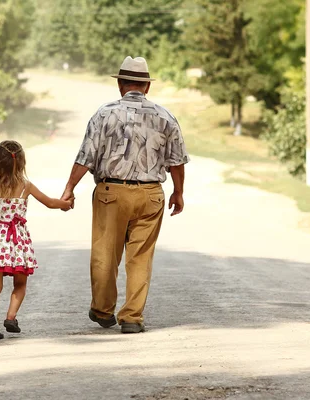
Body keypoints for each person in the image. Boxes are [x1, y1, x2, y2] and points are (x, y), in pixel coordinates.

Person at [61, 56, 189, 334]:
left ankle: (103, 310)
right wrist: (178, 192)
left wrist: (69, 188)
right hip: (151, 195)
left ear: (120, 84)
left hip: (111, 193)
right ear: (146, 86)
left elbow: (86, 156)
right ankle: (132, 317)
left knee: (105, 253)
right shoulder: (165, 116)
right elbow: (177, 161)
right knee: (140, 257)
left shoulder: (104, 114)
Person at [0, 140, 73, 340]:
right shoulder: (26, 186)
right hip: (17, 241)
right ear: (22, 162)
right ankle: (11, 316)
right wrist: (65, 204)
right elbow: (50, 202)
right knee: (20, 283)